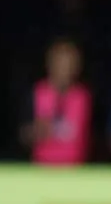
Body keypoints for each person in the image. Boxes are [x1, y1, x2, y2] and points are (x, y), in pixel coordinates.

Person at [23, 37, 92, 165]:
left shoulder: (83, 96)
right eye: (61, 63)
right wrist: (37, 131)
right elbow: (23, 134)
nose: (65, 69)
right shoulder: (37, 92)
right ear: (50, 64)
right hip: (42, 168)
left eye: (70, 64)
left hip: (75, 170)